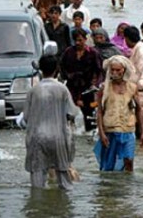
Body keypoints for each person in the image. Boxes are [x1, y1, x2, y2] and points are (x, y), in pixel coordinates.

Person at [21, 55, 78, 190]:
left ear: (40, 69)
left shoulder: (33, 90)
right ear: (57, 69)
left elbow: (26, 117)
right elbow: (71, 113)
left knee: (37, 181)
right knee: (64, 179)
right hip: (58, 137)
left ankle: (38, 209)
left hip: (37, 137)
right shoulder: (62, 89)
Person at [94, 55, 143, 171]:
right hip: (110, 131)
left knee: (129, 161)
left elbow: (139, 110)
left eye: (118, 70)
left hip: (128, 130)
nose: (115, 72)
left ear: (124, 70)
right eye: (112, 70)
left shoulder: (132, 87)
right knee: (108, 165)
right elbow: (100, 112)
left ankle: (127, 186)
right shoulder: (104, 89)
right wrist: (101, 134)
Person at [60, 28, 103, 132]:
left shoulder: (93, 53)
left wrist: (96, 85)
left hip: (87, 87)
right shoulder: (68, 52)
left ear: (85, 39)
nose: (77, 43)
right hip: (71, 87)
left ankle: (89, 133)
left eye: (80, 40)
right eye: (75, 40)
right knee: (68, 113)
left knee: (89, 113)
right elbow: (62, 67)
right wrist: (67, 76)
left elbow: (100, 71)